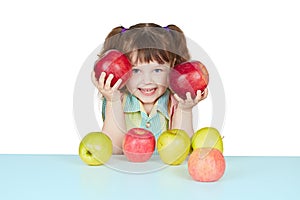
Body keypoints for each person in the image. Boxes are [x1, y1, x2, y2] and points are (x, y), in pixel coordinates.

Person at [92, 23, 208, 154]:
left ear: (173, 65)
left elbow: (182, 150)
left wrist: (185, 109)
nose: (147, 81)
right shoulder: (118, 99)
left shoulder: (174, 101)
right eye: (136, 71)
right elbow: (114, 151)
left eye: (157, 70)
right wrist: (113, 100)